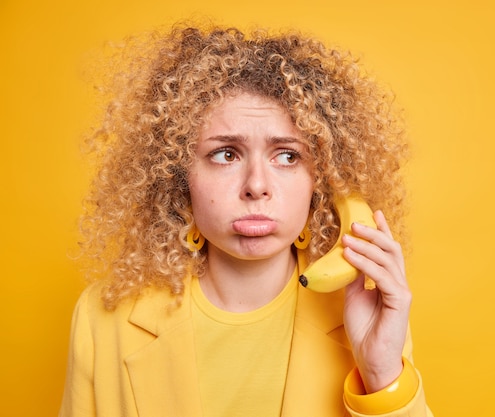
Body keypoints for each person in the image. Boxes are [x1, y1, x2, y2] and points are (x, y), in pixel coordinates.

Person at [59, 22, 433, 417]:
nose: (256, 186)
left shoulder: (368, 314)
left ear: (321, 181)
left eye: (288, 156)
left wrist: (381, 373)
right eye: (226, 154)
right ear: (179, 175)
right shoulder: (102, 319)